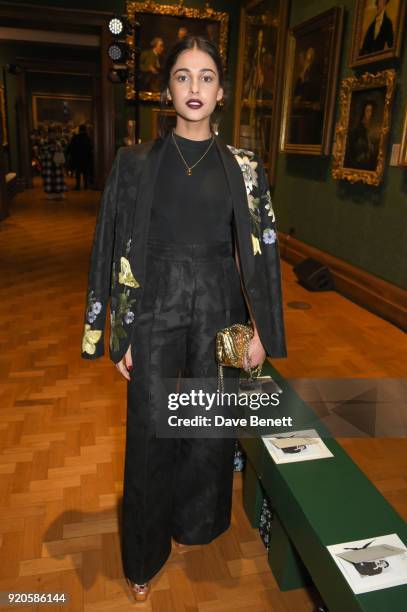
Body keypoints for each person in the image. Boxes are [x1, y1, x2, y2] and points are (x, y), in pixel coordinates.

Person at [81, 35, 287, 602]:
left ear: (221, 92)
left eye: (205, 77)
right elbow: (113, 246)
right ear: (165, 88)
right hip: (156, 305)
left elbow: (264, 252)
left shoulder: (245, 168)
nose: (193, 88)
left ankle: (195, 526)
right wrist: (121, 334)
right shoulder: (134, 164)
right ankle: (143, 556)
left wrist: (262, 331)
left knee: (207, 426)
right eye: (181, 76)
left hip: (222, 308)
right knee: (150, 431)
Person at [39, 127, 67, 199]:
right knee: (49, 179)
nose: (52, 135)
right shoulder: (44, 142)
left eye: (53, 134)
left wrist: (57, 148)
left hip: (57, 163)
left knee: (58, 178)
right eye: (51, 134)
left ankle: (60, 192)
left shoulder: (58, 142)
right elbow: (42, 152)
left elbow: (61, 151)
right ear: (48, 134)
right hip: (48, 163)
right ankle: (50, 193)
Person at [66, 124, 93, 190]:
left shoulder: (76, 137)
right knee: (85, 172)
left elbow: (71, 147)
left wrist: (69, 154)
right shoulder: (88, 138)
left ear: (79, 130)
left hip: (77, 157)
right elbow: (90, 148)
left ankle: (78, 185)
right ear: (85, 130)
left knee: (78, 172)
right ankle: (86, 185)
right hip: (86, 158)